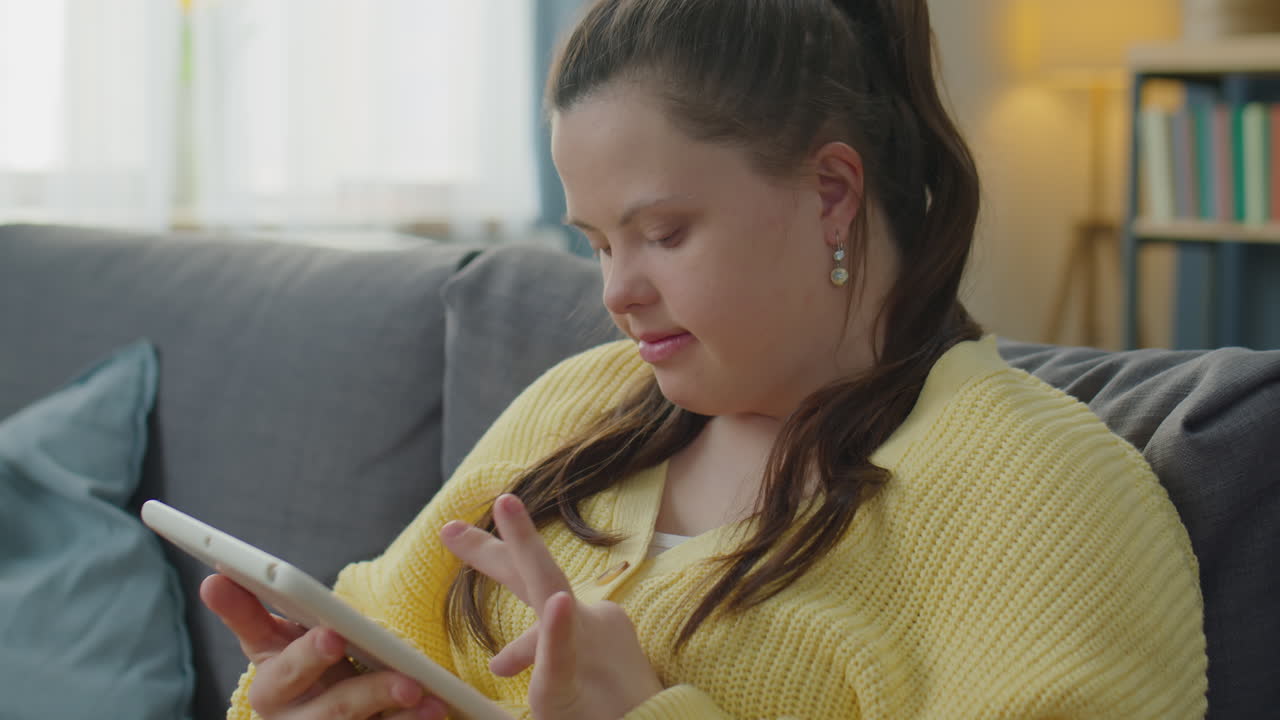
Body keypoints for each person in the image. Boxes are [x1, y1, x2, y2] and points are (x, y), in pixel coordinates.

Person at [204, 0, 1209, 717]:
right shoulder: (578, 405)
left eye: (664, 233)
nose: (615, 292)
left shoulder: (1038, 494)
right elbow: (382, 631)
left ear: (828, 193)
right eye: (596, 242)